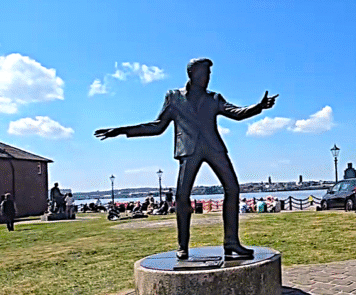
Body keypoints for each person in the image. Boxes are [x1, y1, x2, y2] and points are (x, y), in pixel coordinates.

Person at [96, 58, 277, 259]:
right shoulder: (174, 97)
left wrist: (259, 107)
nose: (208, 78)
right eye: (204, 74)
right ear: (192, 75)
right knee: (182, 197)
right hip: (189, 151)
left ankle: (231, 242)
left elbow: (237, 113)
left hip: (213, 148)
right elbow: (157, 126)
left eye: (209, 74)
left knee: (233, 189)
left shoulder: (214, 98)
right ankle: (183, 245)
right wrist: (122, 130)